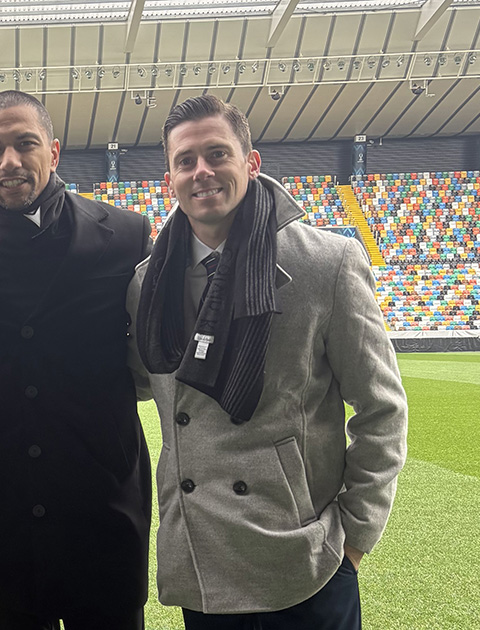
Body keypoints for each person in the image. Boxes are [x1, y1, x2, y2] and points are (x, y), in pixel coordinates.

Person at [129, 94, 408, 629]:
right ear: (169, 178)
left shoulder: (327, 262)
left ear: (252, 163)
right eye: (185, 160)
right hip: (203, 557)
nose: (202, 171)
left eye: (218, 154)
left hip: (304, 560)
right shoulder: (147, 283)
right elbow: (141, 382)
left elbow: (383, 409)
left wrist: (353, 539)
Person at [0, 89, 153, 629]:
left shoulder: (127, 237)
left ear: (52, 152)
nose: (8, 161)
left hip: (105, 518)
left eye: (24, 144)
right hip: (3, 523)